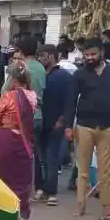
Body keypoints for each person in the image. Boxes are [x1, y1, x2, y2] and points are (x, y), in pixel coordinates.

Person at [65, 38, 110, 220]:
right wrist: (69, 126)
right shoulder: (80, 74)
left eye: (93, 54)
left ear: (102, 53)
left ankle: (107, 207)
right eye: (87, 55)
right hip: (84, 126)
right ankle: (81, 204)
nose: (90, 58)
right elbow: (71, 101)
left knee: (105, 170)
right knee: (82, 169)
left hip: (109, 126)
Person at [0, 61, 38, 220]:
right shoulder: (32, 96)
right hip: (24, 139)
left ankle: (3, 210)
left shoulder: (9, 96)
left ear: (13, 79)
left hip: (6, 137)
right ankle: (17, 209)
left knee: (3, 175)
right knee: (19, 175)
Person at [35, 44, 72, 206]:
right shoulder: (39, 74)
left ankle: (51, 192)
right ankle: (41, 189)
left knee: (52, 158)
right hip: (39, 121)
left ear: (51, 56)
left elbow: (69, 101)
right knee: (40, 157)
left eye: (43, 56)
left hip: (55, 122)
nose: (40, 59)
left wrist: (62, 120)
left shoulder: (63, 76)